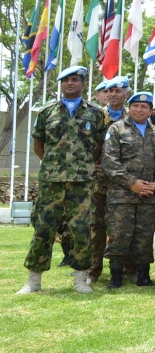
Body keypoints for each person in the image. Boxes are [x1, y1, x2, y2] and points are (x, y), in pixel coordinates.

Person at [17, 66, 105, 295]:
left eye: (74, 80)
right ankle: (33, 281)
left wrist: (84, 163)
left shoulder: (95, 113)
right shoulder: (47, 112)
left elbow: (99, 144)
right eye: (65, 80)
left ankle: (80, 280)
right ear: (60, 84)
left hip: (82, 181)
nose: (69, 83)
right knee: (43, 229)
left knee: (82, 229)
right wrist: (53, 163)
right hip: (51, 181)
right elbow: (38, 143)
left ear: (83, 83)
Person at [101, 92, 155, 290]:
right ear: (129, 108)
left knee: (145, 236)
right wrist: (132, 183)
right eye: (135, 105)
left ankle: (143, 275)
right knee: (119, 235)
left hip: (148, 195)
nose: (139, 109)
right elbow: (109, 162)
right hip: (122, 196)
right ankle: (116, 276)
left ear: (151, 111)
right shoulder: (117, 129)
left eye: (144, 107)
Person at [88, 75, 130, 283]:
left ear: (126, 94)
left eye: (118, 90)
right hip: (98, 180)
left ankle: (122, 268)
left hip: (123, 182)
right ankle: (93, 269)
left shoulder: (134, 116)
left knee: (121, 225)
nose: (113, 94)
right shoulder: (95, 116)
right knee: (96, 225)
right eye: (109, 90)